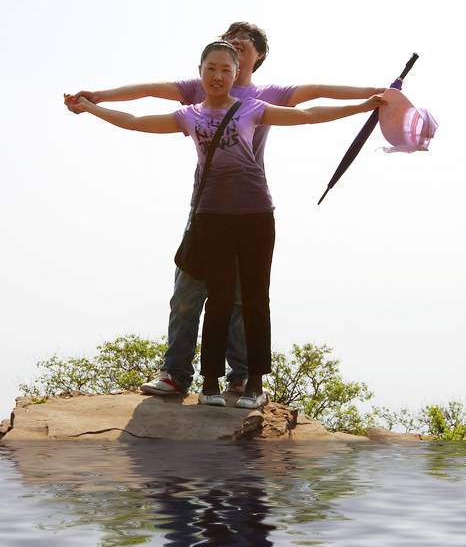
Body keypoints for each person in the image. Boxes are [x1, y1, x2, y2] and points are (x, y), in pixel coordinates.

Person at [66, 21, 385, 398]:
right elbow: (148, 94)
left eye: (241, 45)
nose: (223, 64)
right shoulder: (200, 91)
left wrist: (372, 95)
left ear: (256, 56)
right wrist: (97, 99)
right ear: (204, 68)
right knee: (188, 291)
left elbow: (313, 98)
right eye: (224, 46)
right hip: (206, 207)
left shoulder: (263, 98)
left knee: (239, 297)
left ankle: (241, 375)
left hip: (250, 207)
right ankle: (177, 373)